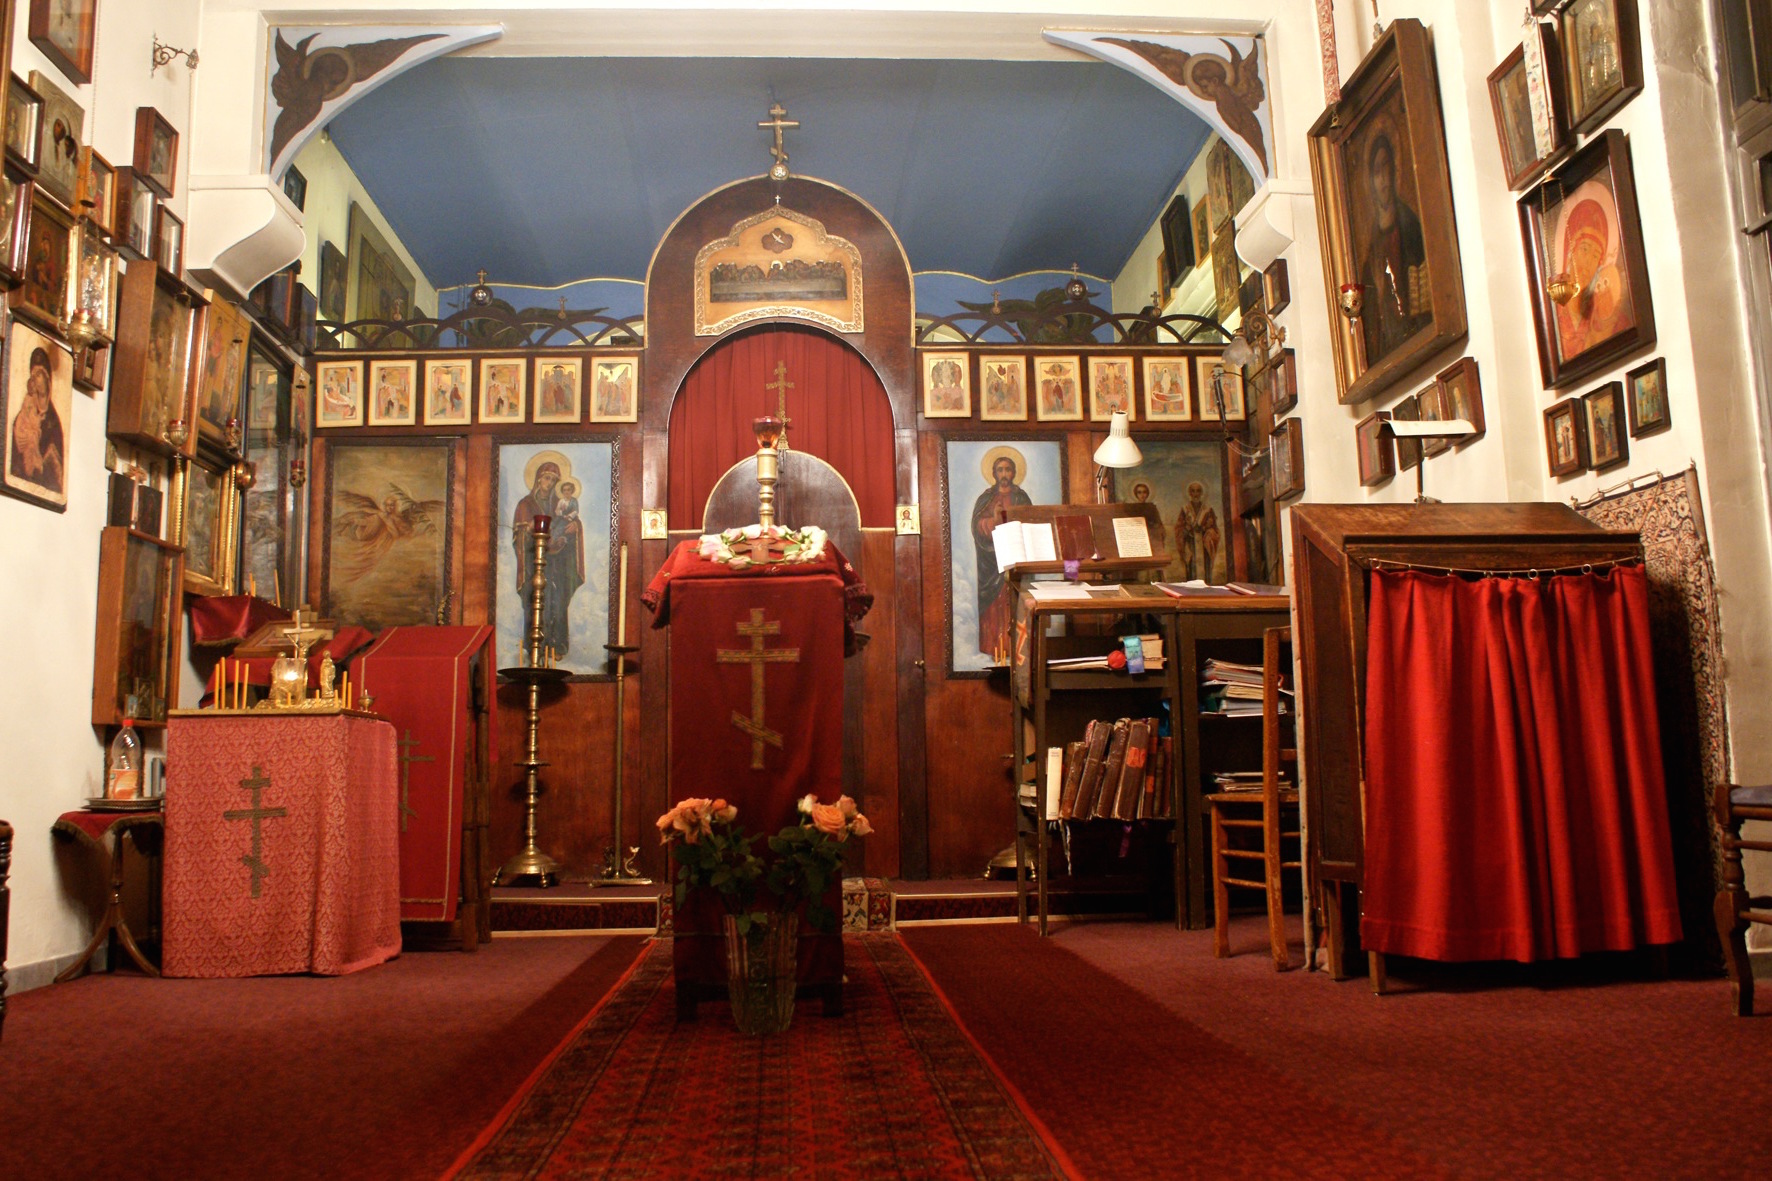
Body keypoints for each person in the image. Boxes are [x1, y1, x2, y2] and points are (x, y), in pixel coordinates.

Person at [1356, 132, 1430, 365]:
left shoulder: (1410, 226)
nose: (1383, 180)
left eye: (1387, 168)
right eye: (1377, 172)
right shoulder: (1372, 247)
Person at [512, 459, 585, 659]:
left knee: (558, 601)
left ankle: (556, 645)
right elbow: (518, 535)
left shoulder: (558, 503)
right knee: (534, 600)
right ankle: (535, 648)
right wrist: (527, 529)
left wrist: (576, 527)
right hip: (533, 563)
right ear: (538, 479)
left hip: (556, 564)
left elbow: (570, 521)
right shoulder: (525, 504)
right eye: (546, 478)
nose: (549, 483)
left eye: (553, 480)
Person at [970, 451, 1032, 658]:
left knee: (1016, 601)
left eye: (1008, 469)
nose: (1004, 474)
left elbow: (1031, 521)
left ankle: (1018, 649)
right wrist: (993, 521)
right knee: (994, 606)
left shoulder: (1021, 498)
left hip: (1016, 558)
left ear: (1014, 472)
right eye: (1000, 470)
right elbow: (977, 526)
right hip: (992, 561)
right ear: (994, 473)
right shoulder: (986, 499)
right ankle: (994, 647)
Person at [9, 347, 64, 494]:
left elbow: (57, 472)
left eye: (39, 374)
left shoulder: (53, 421)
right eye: (33, 376)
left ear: (47, 378)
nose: (36, 380)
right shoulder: (24, 414)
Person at [1176, 480, 1220, 583]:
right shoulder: (1185, 509)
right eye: (1193, 491)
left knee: (1205, 569)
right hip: (1191, 544)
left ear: (1201, 493)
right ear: (1189, 493)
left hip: (1204, 545)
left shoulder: (1208, 510)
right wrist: (1186, 529)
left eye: (1198, 491)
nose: (1195, 494)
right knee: (1192, 568)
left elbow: (1215, 529)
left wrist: (1208, 529)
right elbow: (1179, 529)